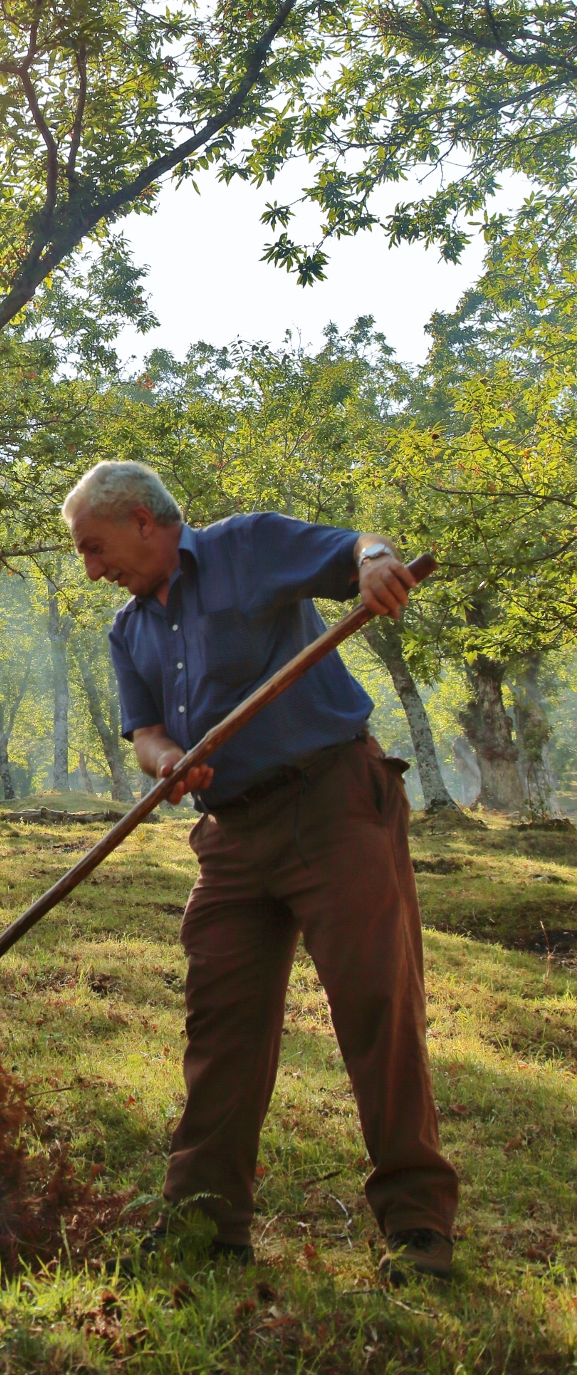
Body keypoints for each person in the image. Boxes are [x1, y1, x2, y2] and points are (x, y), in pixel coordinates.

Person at [62, 459, 458, 1285]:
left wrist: (378, 561)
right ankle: (205, 1224)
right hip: (230, 837)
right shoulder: (125, 629)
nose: (92, 568)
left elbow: (355, 549)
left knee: (376, 1008)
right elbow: (142, 731)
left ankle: (417, 1227)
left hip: (331, 804)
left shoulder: (244, 547)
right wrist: (167, 759)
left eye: (95, 548)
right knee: (220, 1025)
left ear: (142, 520)